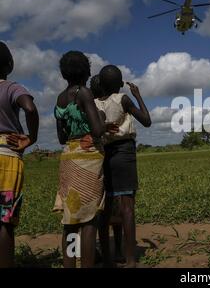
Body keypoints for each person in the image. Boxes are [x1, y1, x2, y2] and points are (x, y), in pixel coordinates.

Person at [53, 51, 106, 268]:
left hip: (68, 156)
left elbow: (61, 137)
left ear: (64, 74)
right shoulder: (84, 93)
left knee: (71, 220)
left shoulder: (60, 98)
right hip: (89, 157)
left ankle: (69, 265)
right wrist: (101, 118)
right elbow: (97, 130)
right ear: (87, 71)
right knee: (89, 220)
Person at [96, 65, 151, 268]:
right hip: (125, 154)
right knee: (127, 208)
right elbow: (146, 121)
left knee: (106, 208)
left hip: (104, 155)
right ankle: (129, 260)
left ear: (99, 84)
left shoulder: (93, 103)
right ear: (121, 85)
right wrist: (137, 95)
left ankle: (109, 259)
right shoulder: (123, 99)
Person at [0, 42, 39, 268]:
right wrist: (30, 137)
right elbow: (30, 108)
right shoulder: (11, 87)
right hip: (7, 157)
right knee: (4, 221)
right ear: (10, 64)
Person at [89, 74, 124, 263]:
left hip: (94, 162)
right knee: (115, 209)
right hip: (110, 158)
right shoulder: (112, 103)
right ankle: (117, 251)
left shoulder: (89, 107)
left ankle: (96, 252)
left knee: (94, 213)